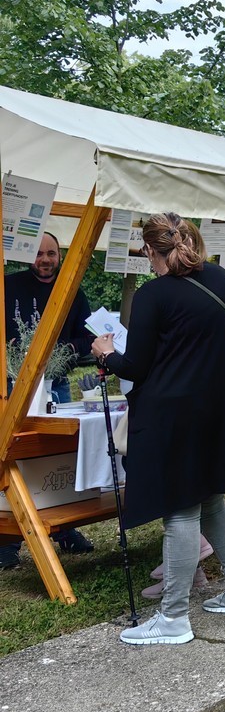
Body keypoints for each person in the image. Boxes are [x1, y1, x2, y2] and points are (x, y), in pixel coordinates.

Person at [91, 213, 225, 645]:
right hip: (219, 409)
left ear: (149, 250)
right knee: (212, 504)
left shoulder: (153, 296)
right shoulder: (222, 280)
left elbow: (138, 366)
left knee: (181, 511)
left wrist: (107, 353)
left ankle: (172, 618)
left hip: (176, 416)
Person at [1, 231, 96, 567]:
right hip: (13, 386)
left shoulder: (71, 288)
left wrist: (70, 349)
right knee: (16, 456)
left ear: (60, 255)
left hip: (56, 384)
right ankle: (8, 542)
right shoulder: (8, 285)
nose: (44, 259)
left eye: (51, 253)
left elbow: (88, 334)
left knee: (58, 457)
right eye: (39, 253)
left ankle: (64, 531)